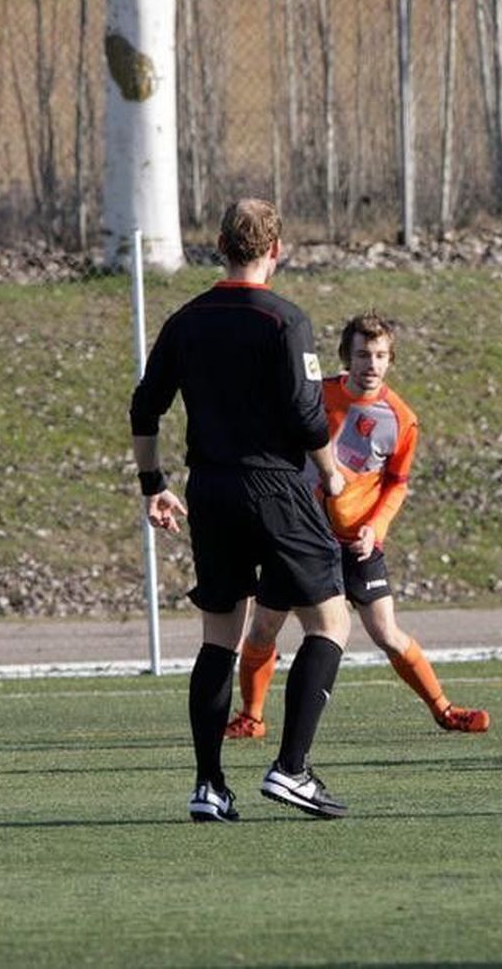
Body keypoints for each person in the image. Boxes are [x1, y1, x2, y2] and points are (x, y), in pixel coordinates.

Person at [130, 198, 351, 821]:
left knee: (219, 639)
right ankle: (290, 770)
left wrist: (154, 483)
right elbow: (308, 417)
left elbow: (145, 407)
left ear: (219, 247)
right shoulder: (285, 321)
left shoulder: (186, 319)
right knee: (330, 623)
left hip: (211, 489)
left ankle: (209, 785)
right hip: (275, 487)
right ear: (275, 251)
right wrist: (332, 476)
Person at [225, 312, 489, 742]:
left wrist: (375, 528)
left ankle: (443, 709)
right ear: (348, 356)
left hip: (356, 542)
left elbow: (397, 486)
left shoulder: (400, 419)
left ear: (390, 360)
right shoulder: (314, 396)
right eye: (364, 354)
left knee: (386, 632)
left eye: (381, 355)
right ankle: (252, 717)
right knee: (263, 628)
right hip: (301, 538)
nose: (372, 364)